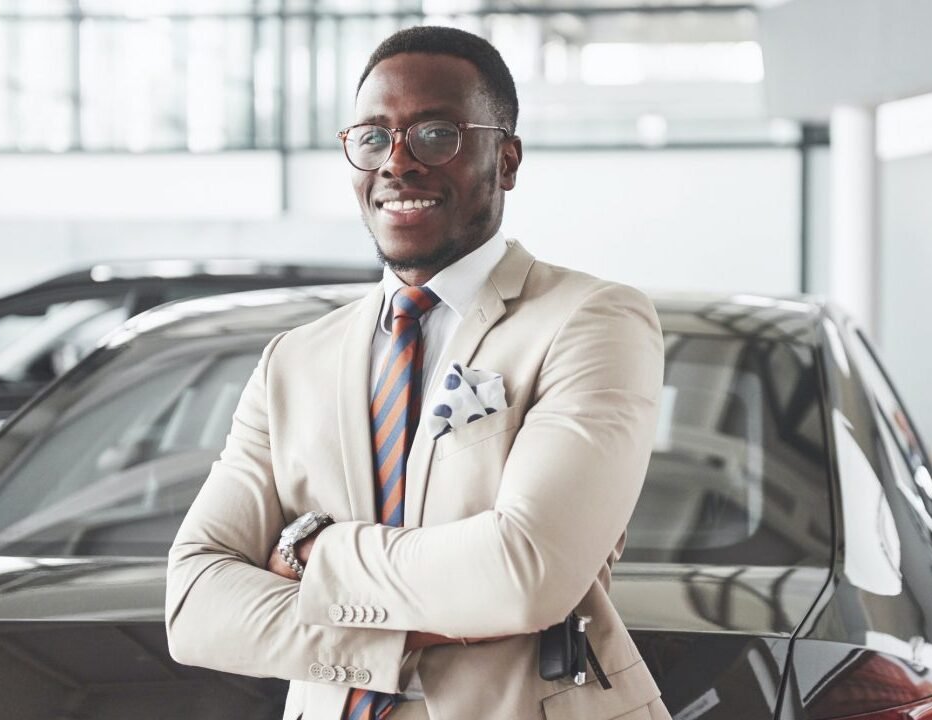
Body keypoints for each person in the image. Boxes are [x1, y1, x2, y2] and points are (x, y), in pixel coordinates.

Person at [166, 25, 669, 720]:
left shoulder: (591, 320)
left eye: (435, 135)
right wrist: (406, 628)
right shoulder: (294, 360)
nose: (397, 163)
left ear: (507, 159)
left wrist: (313, 553)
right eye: (373, 138)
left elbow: (524, 574)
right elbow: (194, 600)